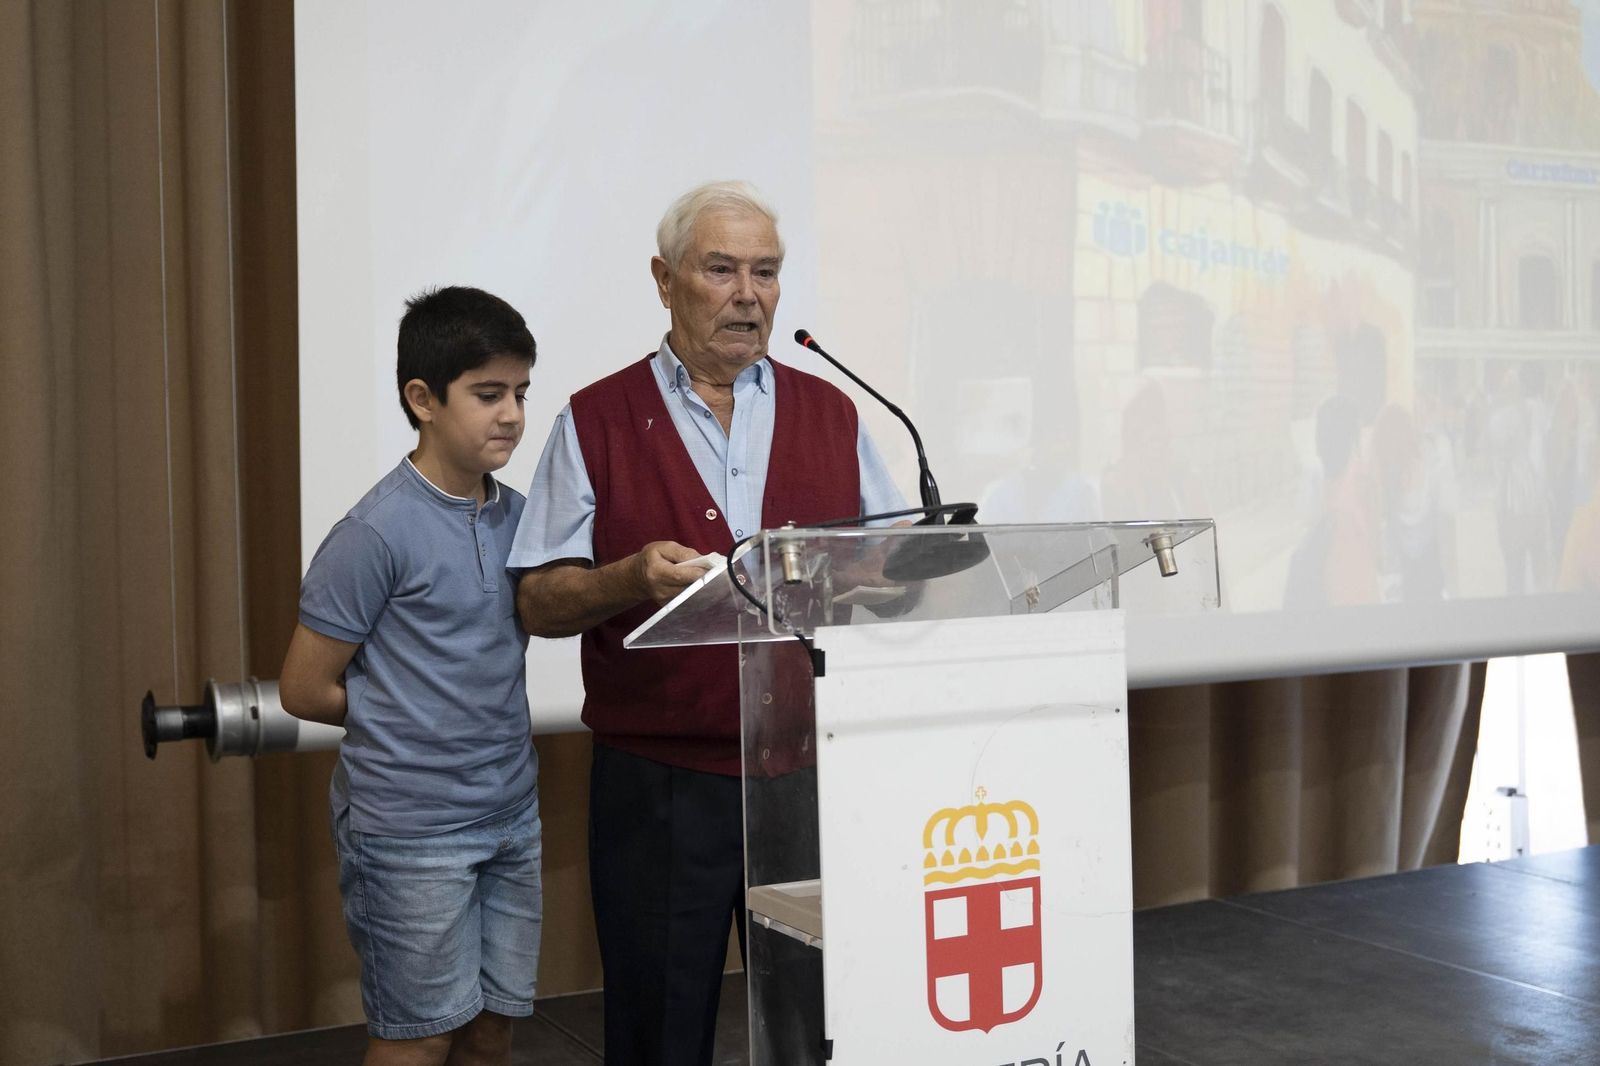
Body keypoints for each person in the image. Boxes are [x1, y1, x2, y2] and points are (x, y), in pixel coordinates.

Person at [508, 180, 905, 1065]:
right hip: (659, 784)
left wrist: (886, 576)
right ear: (664, 280)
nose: (748, 293)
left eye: (765, 272)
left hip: (802, 776)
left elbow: (891, 565)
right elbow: (537, 597)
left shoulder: (831, 412)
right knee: (659, 1029)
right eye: (720, 269)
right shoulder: (596, 420)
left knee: (816, 1026)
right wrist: (627, 577)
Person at [279, 287, 542, 1066]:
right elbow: (304, 688)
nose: (512, 415)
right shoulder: (373, 532)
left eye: (521, 393)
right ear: (422, 400)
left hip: (511, 814)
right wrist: (408, 727)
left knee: (491, 1028)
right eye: (488, 394)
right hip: (409, 831)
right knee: (418, 1035)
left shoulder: (521, 515)